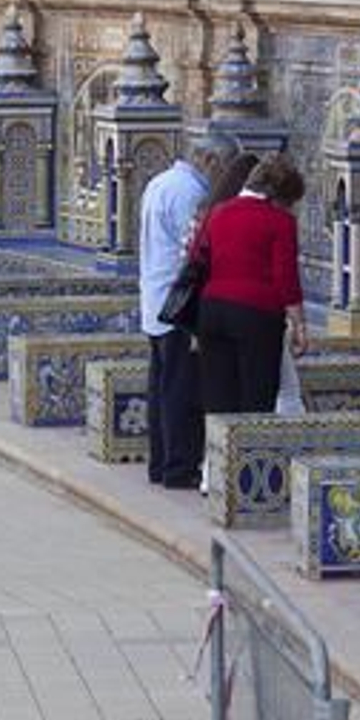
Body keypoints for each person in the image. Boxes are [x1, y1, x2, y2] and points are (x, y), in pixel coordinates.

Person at [137, 133, 237, 490]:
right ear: (210, 161)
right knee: (181, 389)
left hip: (156, 300)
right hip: (178, 306)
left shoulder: (161, 182)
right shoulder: (190, 193)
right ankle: (178, 467)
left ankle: (161, 463)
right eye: (224, 169)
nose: (224, 179)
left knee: (163, 386)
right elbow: (194, 253)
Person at [193, 154, 309, 416]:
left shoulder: (217, 213)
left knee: (219, 400)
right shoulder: (280, 222)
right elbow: (286, 279)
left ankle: (219, 455)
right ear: (280, 197)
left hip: (211, 312)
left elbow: (197, 260)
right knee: (256, 400)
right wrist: (299, 327)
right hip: (256, 315)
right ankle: (252, 456)